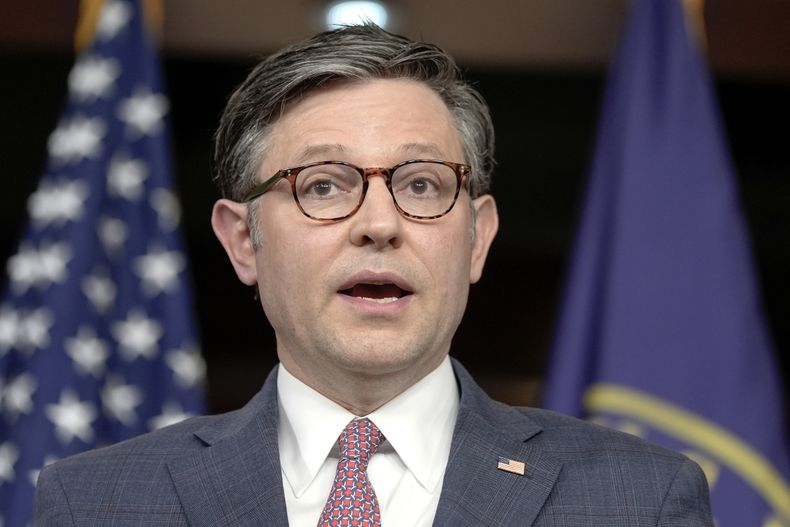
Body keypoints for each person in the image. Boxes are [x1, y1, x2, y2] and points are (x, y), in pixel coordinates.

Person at [35, 24, 713, 526]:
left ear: (477, 238)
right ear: (244, 239)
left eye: (420, 184)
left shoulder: (639, 500)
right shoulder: (97, 501)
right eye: (325, 186)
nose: (380, 223)